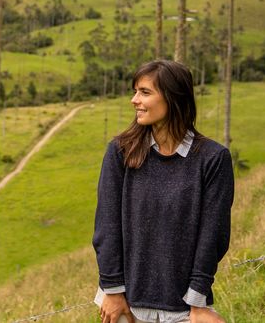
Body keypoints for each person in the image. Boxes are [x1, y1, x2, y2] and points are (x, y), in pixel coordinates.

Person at [92, 60, 234, 323]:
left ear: (173, 97)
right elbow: (107, 225)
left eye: (145, 92)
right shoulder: (120, 152)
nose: (134, 100)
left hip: (185, 310)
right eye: (135, 91)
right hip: (125, 305)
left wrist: (198, 301)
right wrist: (112, 289)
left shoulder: (213, 159)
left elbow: (213, 235)